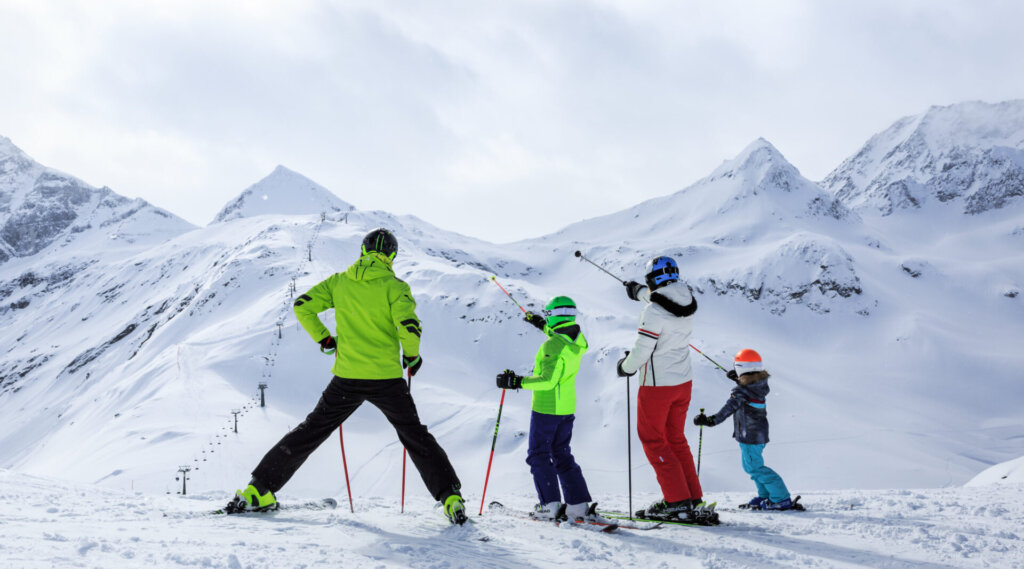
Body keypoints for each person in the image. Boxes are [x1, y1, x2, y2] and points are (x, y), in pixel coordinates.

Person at [226, 228, 468, 524]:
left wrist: (325, 339)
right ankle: (450, 497)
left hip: (347, 378)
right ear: (392, 255)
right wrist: (412, 356)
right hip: (387, 379)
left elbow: (302, 306)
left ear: (363, 251)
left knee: (310, 431)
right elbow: (408, 324)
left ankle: (258, 490)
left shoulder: (340, 282)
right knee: (415, 435)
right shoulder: (395, 286)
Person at [495, 296, 614, 526]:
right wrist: (540, 324)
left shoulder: (552, 345)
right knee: (561, 454)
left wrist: (516, 382)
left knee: (538, 454)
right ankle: (578, 505)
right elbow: (558, 337)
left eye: (548, 314)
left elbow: (548, 380)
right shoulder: (577, 339)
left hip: (547, 407)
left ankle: (549, 505)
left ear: (555, 315)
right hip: (566, 407)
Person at [616, 255, 715, 524]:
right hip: (683, 383)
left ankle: (676, 501)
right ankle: (692, 497)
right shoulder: (685, 299)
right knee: (675, 439)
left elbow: (643, 349)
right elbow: (661, 302)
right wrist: (639, 293)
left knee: (653, 440)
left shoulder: (654, 311)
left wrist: (626, 366)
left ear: (653, 280)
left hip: (657, 386)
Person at [694, 349, 794, 510]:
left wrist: (710, 421)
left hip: (750, 435)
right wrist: (739, 379)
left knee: (755, 468)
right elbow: (750, 387)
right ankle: (765, 495)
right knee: (752, 466)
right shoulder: (760, 383)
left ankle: (781, 498)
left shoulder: (742, 392)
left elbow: (728, 409)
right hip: (758, 433)